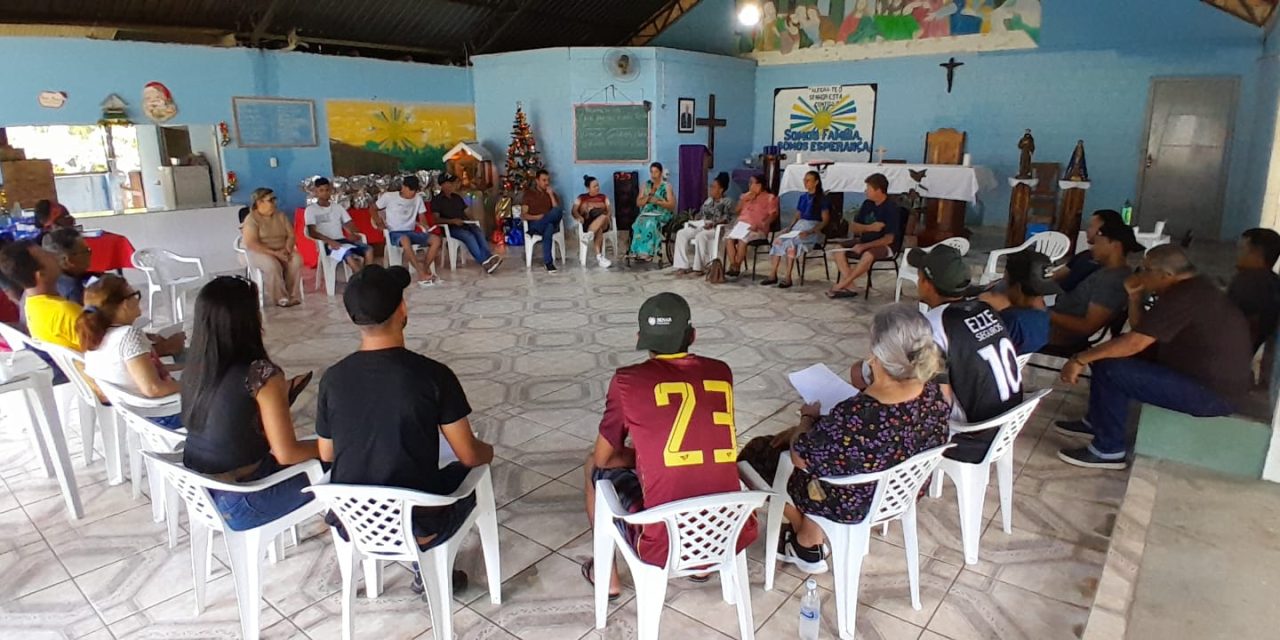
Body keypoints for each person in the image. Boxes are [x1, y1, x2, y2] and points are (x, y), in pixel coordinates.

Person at [316, 264, 495, 590]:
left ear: (352, 319)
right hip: (419, 519)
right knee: (472, 473)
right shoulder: (433, 375)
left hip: (353, 521)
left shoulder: (332, 379)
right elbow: (470, 456)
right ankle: (424, 570)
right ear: (403, 309)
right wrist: (490, 452)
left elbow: (326, 453)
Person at [581, 292, 757, 598]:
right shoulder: (721, 371)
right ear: (692, 335)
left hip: (661, 540)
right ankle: (702, 566)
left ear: (640, 338)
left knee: (591, 468)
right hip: (728, 527)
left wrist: (645, 456)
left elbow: (603, 457)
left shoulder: (626, 381)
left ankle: (606, 575)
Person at [769, 304, 951, 572]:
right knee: (825, 452)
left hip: (852, 502)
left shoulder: (859, 413)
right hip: (901, 491)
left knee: (766, 453)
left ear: (877, 353)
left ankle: (806, 538)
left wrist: (806, 418)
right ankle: (808, 534)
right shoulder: (936, 394)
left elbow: (800, 457)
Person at [1056, 246, 1253, 469]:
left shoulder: (1185, 296)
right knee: (1109, 354)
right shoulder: (1192, 287)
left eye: (1146, 269)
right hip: (1197, 376)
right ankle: (1096, 421)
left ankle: (1108, 450)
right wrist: (1135, 297)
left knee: (1113, 369)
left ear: (1166, 275)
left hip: (1211, 393)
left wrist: (1079, 359)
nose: (1139, 274)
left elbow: (1135, 342)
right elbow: (1143, 330)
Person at [849, 245, 1022, 463]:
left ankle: (870, 445)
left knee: (862, 372)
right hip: (1007, 422)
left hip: (971, 433)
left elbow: (933, 392)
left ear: (926, 283)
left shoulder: (932, 325)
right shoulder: (985, 309)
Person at [181, 276, 320, 530]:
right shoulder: (260, 375)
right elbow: (287, 453)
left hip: (200, 494)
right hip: (245, 499)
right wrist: (336, 447)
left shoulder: (197, 366)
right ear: (248, 319)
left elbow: (231, 420)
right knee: (352, 459)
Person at [78, 275, 182, 428]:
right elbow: (153, 389)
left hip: (136, 415)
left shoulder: (95, 336)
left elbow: (140, 372)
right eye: (136, 295)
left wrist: (189, 368)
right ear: (126, 303)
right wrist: (195, 384)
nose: (138, 299)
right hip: (163, 415)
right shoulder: (129, 335)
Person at [1047, 219, 1142, 351]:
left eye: (1097, 242)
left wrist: (1044, 312)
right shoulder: (1107, 271)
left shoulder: (1112, 280)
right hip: (1054, 320)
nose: (1092, 248)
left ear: (1114, 245)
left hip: (1059, 333)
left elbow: (1087, 327)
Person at [826, 173, 901, 299]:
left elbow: (889, 239)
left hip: (884, 246)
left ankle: (843, 284)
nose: (865, 191)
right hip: (864, 240)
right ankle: (851, 286)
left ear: (878, 190)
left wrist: (864, 246)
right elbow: (854, 226)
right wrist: (869, 228)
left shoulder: (892, 208)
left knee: (868, 254)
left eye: (868, 188)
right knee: (837, 249)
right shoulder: (867, 204)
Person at [0, 240, 82, 351]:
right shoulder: (65, 311)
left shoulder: (28, 303)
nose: (54, 255)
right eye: (47, 255)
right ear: (41, 274)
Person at [979, 249, 1060, 355]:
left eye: (1005, 279)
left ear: (1017, 288)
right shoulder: (1044, 317)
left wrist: (982, 308)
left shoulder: (1012, 320)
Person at [1227, 228, 1280, 385]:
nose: (1238, 254)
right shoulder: (1272, 281)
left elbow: (1246, 325)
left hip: (1229, 357)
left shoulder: (1248, 281)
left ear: (1256, 253)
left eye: (1242, 249)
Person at [762, 170, 829, 289]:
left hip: (812, 228)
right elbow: (798, 214)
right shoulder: (803, 197)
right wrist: (789, 227)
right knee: (779, 240)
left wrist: (811, 231)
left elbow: (825, 220)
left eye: (808, 180)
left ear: (816, 182)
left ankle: (788, 277)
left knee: (791, 243)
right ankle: (773, 274)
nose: (805, 182)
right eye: (804, 180)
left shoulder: (822, 199)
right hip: (799, 226)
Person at [241, 188, 304, 307]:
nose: (274, 202)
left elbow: (291, 235)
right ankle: (280, 298)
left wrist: (287, 249)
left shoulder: (280, 216)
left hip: (282, 249)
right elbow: (251, 243)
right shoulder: (251, 219)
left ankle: (292, 295)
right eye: (271, 200)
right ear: (259, 203)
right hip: (260, 252)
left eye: (274, 199)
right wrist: (275, 254)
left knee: (296, 260)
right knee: (272, 265)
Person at [375, 175, 441, 287]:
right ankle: (421, 273)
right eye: (410, 190)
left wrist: (424, 226)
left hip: (411, 232)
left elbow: (422, 217)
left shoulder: (418, 198)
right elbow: (373, 208)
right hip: (395, 232)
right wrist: (379, 223)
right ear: (403, 187)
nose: (412, 194)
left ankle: (424, 268)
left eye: (414, 191)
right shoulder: (389, 197)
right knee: (405, 240)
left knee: (436, 240)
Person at [432, 173, 502, 274]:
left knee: (477, 231)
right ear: (443, 185)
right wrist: (452, 221)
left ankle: (488, 257)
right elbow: (436, 219)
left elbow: (466, 212)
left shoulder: (457, 198)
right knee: (468, 236)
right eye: (450, 183)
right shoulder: (437, 200)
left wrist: (471, 221)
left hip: (463, 224)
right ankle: (484, 261)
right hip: (450, 228)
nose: (453, 185)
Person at [672, 172, 735, 275]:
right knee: (681, 233)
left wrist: (713, 223)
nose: (711, 189)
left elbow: (727, 218)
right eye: (711, 186)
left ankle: (699, 267)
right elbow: (701, 213)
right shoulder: (708, 201)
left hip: (715, 228)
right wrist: (695, 219)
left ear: (721, 189)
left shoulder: (727, 202)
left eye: (713, 187)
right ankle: (683, 265)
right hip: (702, 224)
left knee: (701, 236)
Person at [305, 177, 368, 275]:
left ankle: (369, 277)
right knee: (348, 255)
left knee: (369, 249)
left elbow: (349, 223)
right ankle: (361, 281)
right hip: (326, 244)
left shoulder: (337, 207)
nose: (325, 193)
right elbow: (312, 232)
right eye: (321, 190)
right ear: (316, 192)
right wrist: (330, 241)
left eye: (327, 190)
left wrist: (353, 233)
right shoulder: (310, 210)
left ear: (331, 191)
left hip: (342, 241)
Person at [1054, 209, 1125, 293]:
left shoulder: (1106, 264)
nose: (1087, 230)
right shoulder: (1085, 255)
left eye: (1091, 226)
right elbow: (1057, 275)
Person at [722, 174, 778, 278]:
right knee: (728, 239)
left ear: (760, 185)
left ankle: (735, 267)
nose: (750, 185)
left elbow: (773, 214)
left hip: (756, 229)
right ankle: (734, 264)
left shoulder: (770, 198)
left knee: (743, 240)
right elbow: (736, 210)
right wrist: (744, 199)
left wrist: (763, 224)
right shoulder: (746, 196)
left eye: (752, 183)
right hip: (741, 226)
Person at [630, 163, 676, 263]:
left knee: (650, 223)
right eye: (651, 172)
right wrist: (647, 197)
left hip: (662, 213)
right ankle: (637, 251)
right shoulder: (646, 185)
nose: (653, 175)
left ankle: (649, 253)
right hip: (647, 212)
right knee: (639, 222)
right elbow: (638, 202)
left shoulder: (666, 186)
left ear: (660, 172)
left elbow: (672, 205)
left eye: (656, 172)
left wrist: (658, 202)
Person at [523, 169, 567, 273]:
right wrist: (536, 217)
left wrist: (551, 195)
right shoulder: (528, 194)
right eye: (544, 180)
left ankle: (532, 231)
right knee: (549, 226)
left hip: (548, 223)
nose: (547, 183)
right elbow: (523, 215)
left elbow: (556, 210)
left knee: (556, 213)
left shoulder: (552, 193)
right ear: (537, 181)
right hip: (536, 222)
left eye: (548, 180)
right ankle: (548, 263)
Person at [41, 227, 97, 305]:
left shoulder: (43, 283)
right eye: (86, 251)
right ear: (69, 260)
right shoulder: (74, 292)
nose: (90, 254)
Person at [572, 176, 614, 268]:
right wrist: (579, 216)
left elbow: (609, 211)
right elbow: (574, 211)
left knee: (602, 216)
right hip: (589, 223)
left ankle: (589, 235)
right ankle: (599, 257)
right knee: (598, 230)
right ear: (588, 188)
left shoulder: (603, 197)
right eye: (594, 186)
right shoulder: (581, 198)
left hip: (604, 222)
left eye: (598, 185)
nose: (597, 188)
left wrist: (607, 216)